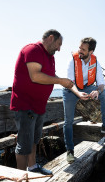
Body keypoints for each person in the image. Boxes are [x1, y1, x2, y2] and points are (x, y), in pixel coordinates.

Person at [10, 29, 73, 174]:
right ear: (50, 38)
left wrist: (63, 81)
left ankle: (32, 168)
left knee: (33, 139)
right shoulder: (33, 49)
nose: (59, 48)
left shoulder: (50, 56)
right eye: (58, 44)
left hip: (39, 106)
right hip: (25, 105)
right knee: (24, 143)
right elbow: (35, 76)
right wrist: (60, 81)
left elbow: (50, 75)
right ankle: (20, 176)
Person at [62, 37, 105, 164]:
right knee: (68, 121)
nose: (80, 51)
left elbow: (101, 84)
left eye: (83, 49)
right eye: (79, 48)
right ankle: (69, 151)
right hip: (71, 88)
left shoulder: (96, 61)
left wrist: (97, 91)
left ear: (91, 52)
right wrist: (78, 93)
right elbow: (70, 83)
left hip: (88, 87)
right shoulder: (72, 60)